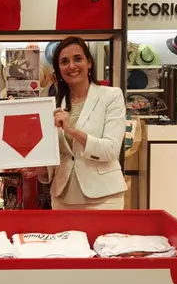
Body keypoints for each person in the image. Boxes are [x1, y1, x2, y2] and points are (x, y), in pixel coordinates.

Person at [20, 36, 127, 210]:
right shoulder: (53, 104)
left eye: (77, 59)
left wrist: (71, 130)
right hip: (63, 197)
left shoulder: (111, 96)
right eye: (64, 61)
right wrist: (38, 168)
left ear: (89, 63)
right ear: (58, 69)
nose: (71, 66)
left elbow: (111, 150)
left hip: (104, 198)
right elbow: (58, 156)